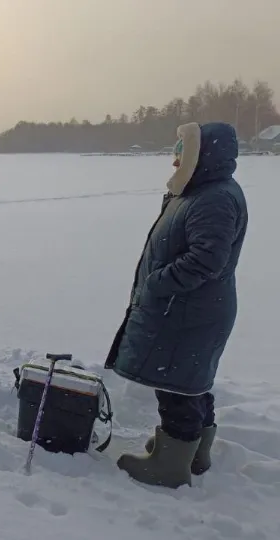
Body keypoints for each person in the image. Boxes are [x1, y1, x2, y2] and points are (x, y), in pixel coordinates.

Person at [105, 121, 248, 488]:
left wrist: (158, 283)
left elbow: (206, 259)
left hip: (187, 311)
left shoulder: (214, 198)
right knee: (191, 380)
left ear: (203, 154)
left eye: (181, 152)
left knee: (177, 385)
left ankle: (171, 465)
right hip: (192, 309)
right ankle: (191, 451)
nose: (174, 161)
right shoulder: (202, 191)